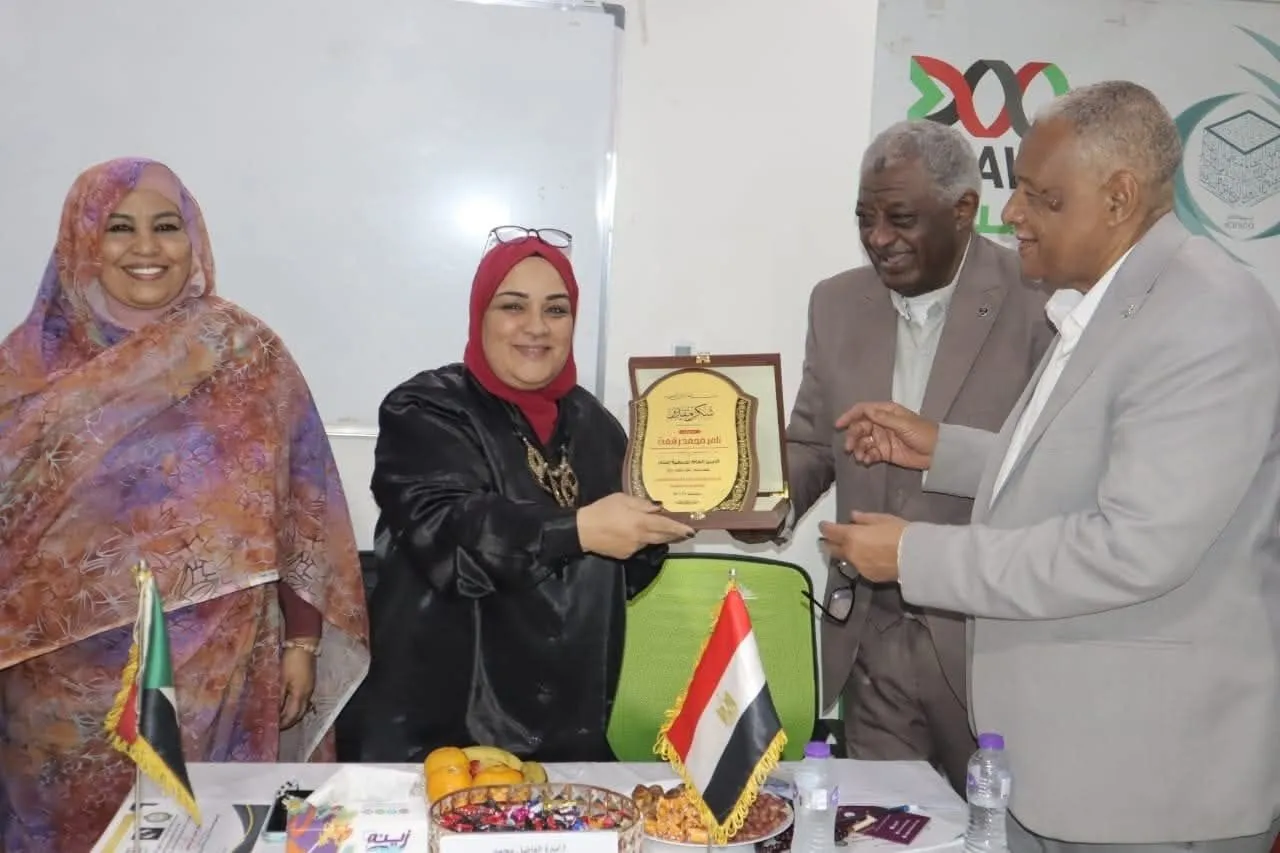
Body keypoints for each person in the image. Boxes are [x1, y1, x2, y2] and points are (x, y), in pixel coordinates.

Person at [823, 82, 1280, 852]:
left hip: (1148, 787)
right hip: (1064, 769)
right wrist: (943, 450)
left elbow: (1133, 545)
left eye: (1041, 196)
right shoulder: (1103, 303)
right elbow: (1083, 464)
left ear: (1119, 197)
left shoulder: (1206, 314)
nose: (1013, 215)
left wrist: (914, 555)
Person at [0, 158, 370, 852]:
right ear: (82, 240)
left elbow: (305, 502)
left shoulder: (244, 353)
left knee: (215, 832)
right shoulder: (23, 374)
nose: (147, 247)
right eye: (119, 227)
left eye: (166, 226)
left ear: (192, 238)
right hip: (60, 697)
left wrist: (302, 640)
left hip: (224, 674)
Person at [746, 120, 1051, 793]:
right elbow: (811, 441)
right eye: (865, 217)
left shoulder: (1039, 297)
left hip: (986, 639)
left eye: (901, 218)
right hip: (871, 639)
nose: (879, 237)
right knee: (880, 827)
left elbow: (1051, 467)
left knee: (996, 829)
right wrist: (756, 501)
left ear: (964, 209)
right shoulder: (836, 303)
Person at [353, 229, 693, 764]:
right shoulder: (425, 409)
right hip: (441, 735)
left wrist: (694, 509)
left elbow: (625, 574)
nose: (537, 326)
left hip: (566, 731)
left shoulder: (595, 425)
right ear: (480, 316)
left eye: (556, 310)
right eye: (513, 306)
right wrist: (577, 529)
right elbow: (450, 534)